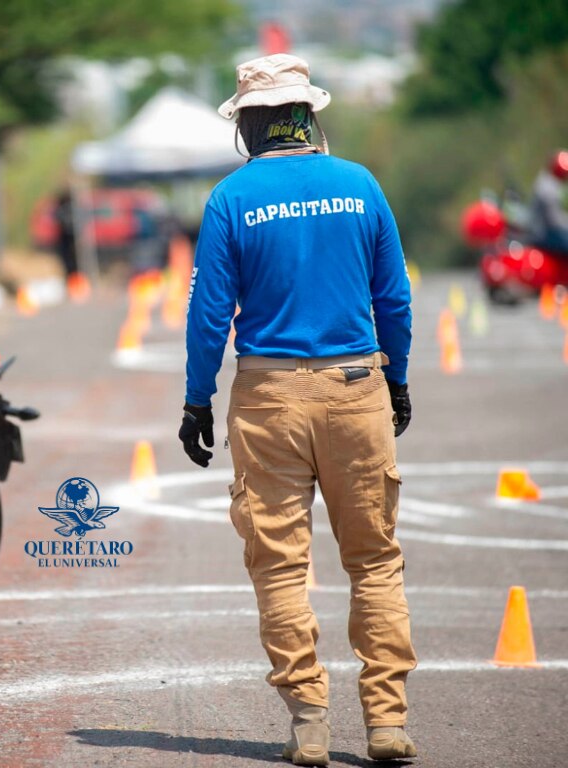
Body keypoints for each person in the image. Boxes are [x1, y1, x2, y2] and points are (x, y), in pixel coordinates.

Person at [178, 54, 416, 766]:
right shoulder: (361, 186)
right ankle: (386, 723)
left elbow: (207, 313)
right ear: (309, 116)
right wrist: (396, 380)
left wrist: (197, 397)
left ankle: (310, 722)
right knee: (374, 561)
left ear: (248, 125)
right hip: (355, 389)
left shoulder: (230, 199)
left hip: (269, 397)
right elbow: (394, 299)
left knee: (281, 566)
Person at [529, 149, 568, 255]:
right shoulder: (549, 187)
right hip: (542, 234)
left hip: (542, 230)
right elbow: (554, 220)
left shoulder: (546, 181)